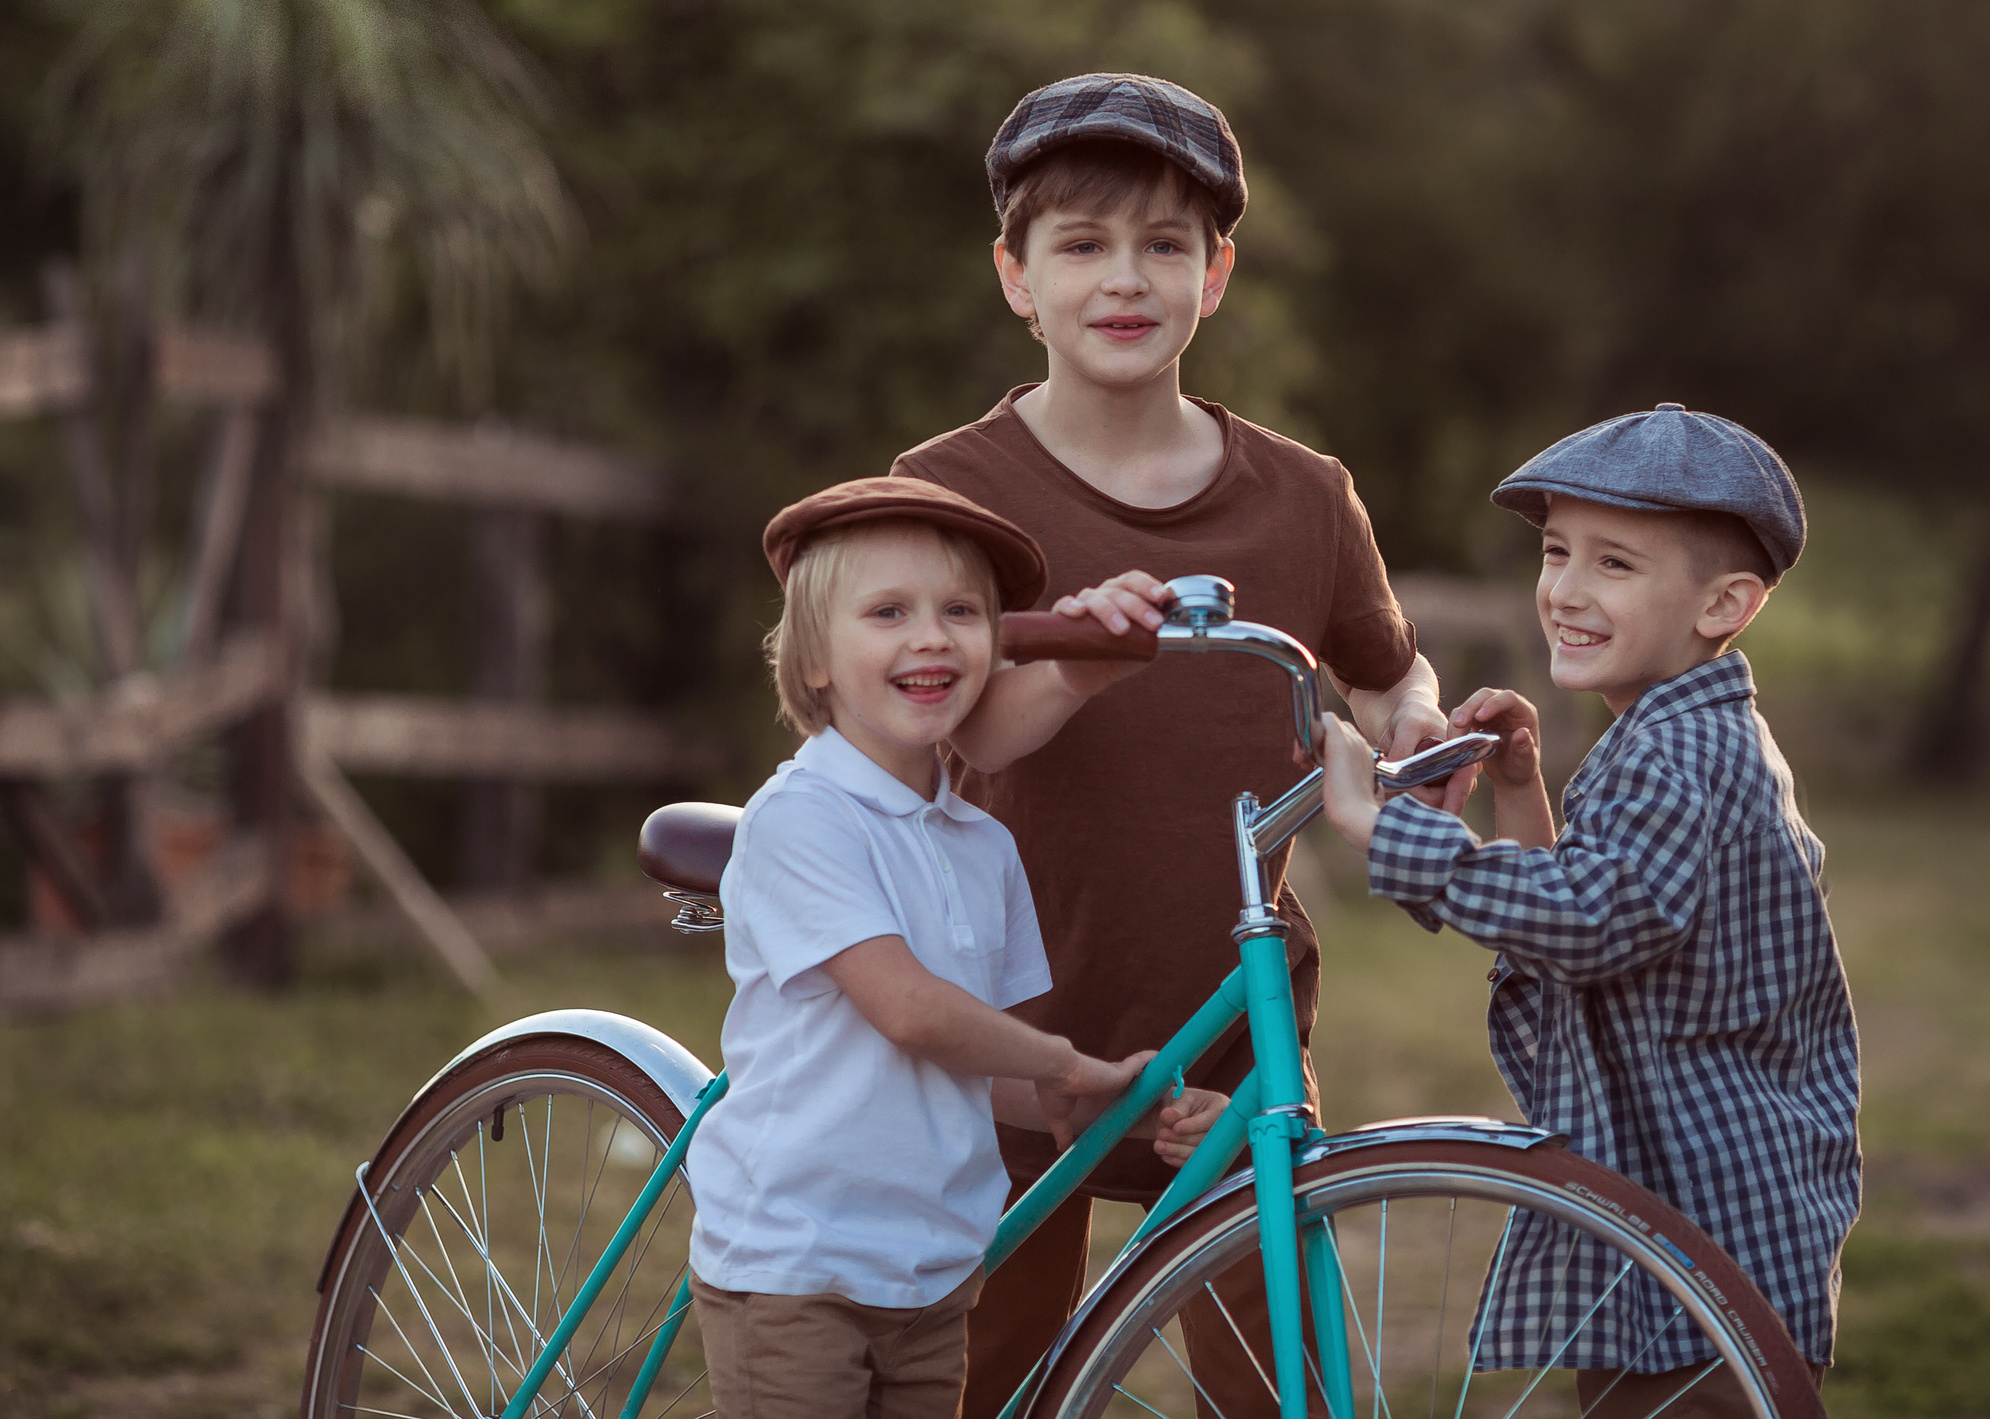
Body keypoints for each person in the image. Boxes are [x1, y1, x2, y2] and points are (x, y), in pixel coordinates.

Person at [891, 73, 1453, 1419]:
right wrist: (1073, 661)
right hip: (1004, 1021)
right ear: (1016, 278)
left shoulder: (1305, 497)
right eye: (1081, 244)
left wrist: (1417, 727)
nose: (1124, 278)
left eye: (1164, 244)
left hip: (1230, 1022)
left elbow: (1387, 673)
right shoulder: (948, 491)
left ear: (1217, 274)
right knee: (984, 1382)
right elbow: (936, 720)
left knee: (1277, 1386)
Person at [1315, 405, 1862, 1415]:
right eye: (1557, 551)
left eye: (1613, 563)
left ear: (1723, 604)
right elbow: (1590, 923)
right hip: (1671, 1227)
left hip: (1711, 1236)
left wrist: (1377, 828)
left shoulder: (1678, 753)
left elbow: (1592, 920)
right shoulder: (1675, 730)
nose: (1564, 590)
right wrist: (1522, 789)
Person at [687, 477, 1221, 1419]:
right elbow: (910, 1009)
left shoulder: (985, 844)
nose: (931, 637)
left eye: (961, 612)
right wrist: (1063, 1061)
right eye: (888, 612)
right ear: (814, 659)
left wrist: (1109, 1102)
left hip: (931, 1273)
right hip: (799, 1265)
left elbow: (985, 1066)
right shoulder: (803, 817)